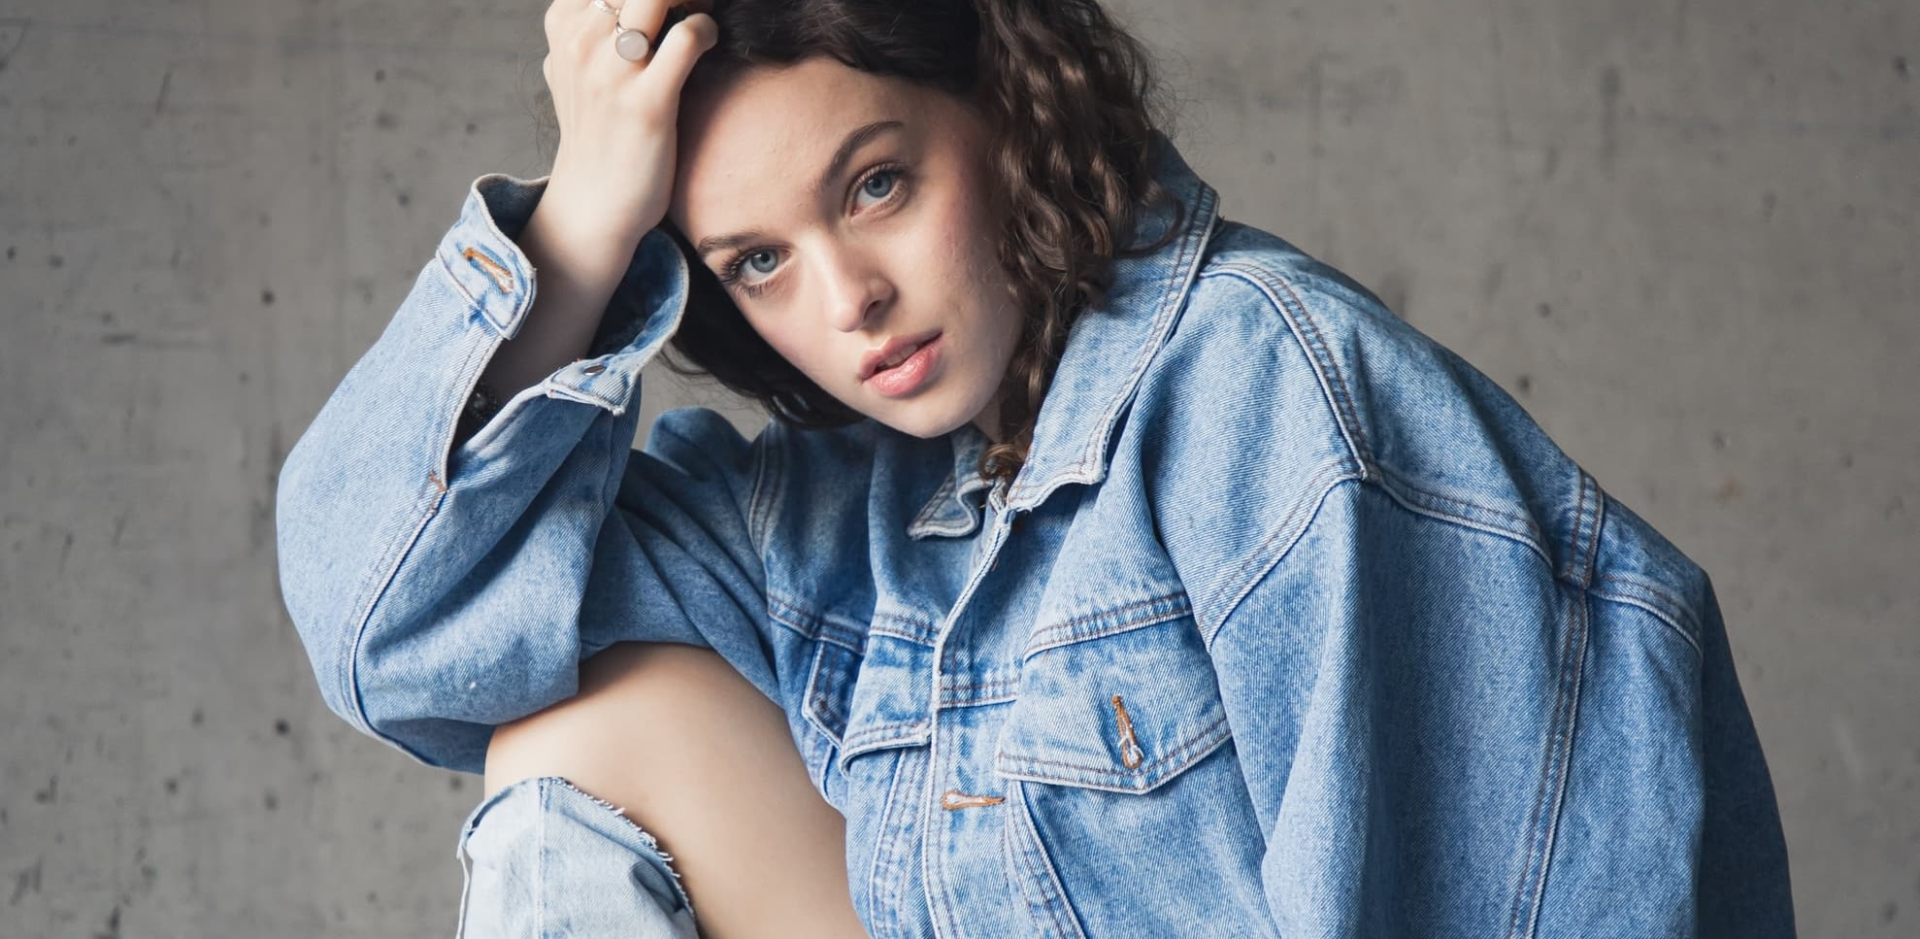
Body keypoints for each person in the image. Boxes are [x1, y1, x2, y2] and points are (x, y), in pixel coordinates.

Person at [273, 0, 1797, 935]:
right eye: (756, 260)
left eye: (875, 184)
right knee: (571, 729)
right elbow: (397, 632)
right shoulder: (818, 515)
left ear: (1007, 105)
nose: (846, 300)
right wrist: (587, 222)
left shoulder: (1270, 395)